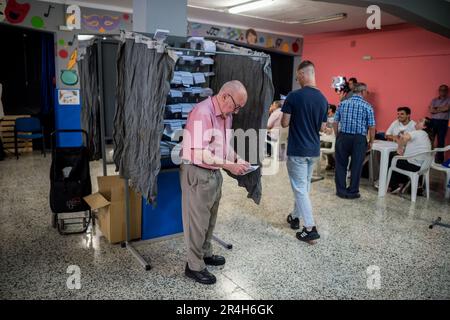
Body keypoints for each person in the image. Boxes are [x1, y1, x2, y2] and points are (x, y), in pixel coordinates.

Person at [180, 80, 250, 285]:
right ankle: (194, 266)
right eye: (236, 106)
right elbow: (201, 153)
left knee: (209, 219)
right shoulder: (202, 113)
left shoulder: (225, 114)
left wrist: (236, 159)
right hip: (198, 171)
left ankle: (205, 254)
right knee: (197, 223)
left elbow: (222, 145)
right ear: (225, 96)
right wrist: (229, 166)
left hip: (213, 172)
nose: (236, 112)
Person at [281, 60, 328, 242]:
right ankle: (295, 217)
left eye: (297, 76)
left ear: (302, 74)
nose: (297, 80)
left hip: (298, 149)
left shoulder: (294, 96)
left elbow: (284, 122)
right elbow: (323, 127)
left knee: (300, 188)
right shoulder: (323, 99)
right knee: (304, 187)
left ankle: (310, 227)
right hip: (313, 149)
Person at [333, 83, 376, 199]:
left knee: (341, 164)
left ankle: (341, 191)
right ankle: (352, 192)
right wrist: (371, 141)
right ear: (362, 92)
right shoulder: (368, 106)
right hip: (359, 139)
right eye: (366, 92)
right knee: (356, 165)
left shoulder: (342, 103)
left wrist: (338, 136)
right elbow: (372, 127)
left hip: (343, 136)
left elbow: (335, 122)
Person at [388, 117, 433, 193]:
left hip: (413, 165)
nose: (417, 121)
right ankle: (402, 182)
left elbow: (404, 137)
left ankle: (393, 185)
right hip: (422, 166)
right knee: (399, 159)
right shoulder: (426, 136)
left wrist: (399, 149)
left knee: (393, 157)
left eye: (421, 121)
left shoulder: (419, 132)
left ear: (424, 127)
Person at [429, 84, 449, 163]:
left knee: (441, 141)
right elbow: (431, 110)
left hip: (443, 122)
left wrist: (436, 108)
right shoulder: (434, 100)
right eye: (440, 90)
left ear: (447, 91)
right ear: (439, 91)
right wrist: (442, 109)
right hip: (433, 121)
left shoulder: (449, 99)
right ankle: (429, 158)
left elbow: (447, 108)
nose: (442, 91)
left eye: (444, 90)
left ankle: (439, 160)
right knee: (430, 140)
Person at [322, 104, 336, 170]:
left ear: (331, 110)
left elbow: (335, 127)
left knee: (333, 150)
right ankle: (330, 164)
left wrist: (331, 130)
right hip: (326, 136)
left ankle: (334, 164)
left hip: (334, 136)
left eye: (328, 108)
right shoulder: (326, 117)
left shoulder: (336, 117)